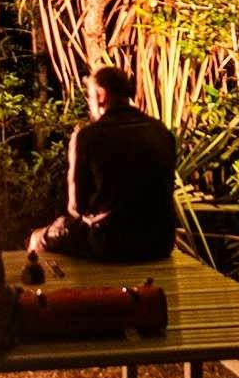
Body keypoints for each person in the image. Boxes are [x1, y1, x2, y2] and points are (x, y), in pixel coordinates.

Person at [29, 64, 177, 262]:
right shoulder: (161, 131)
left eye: (90, 97)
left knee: (40, 237)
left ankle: (46, 287)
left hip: (110, 243)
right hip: (159, 243)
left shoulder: (89, 136)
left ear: (101, 95)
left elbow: (78, 207)